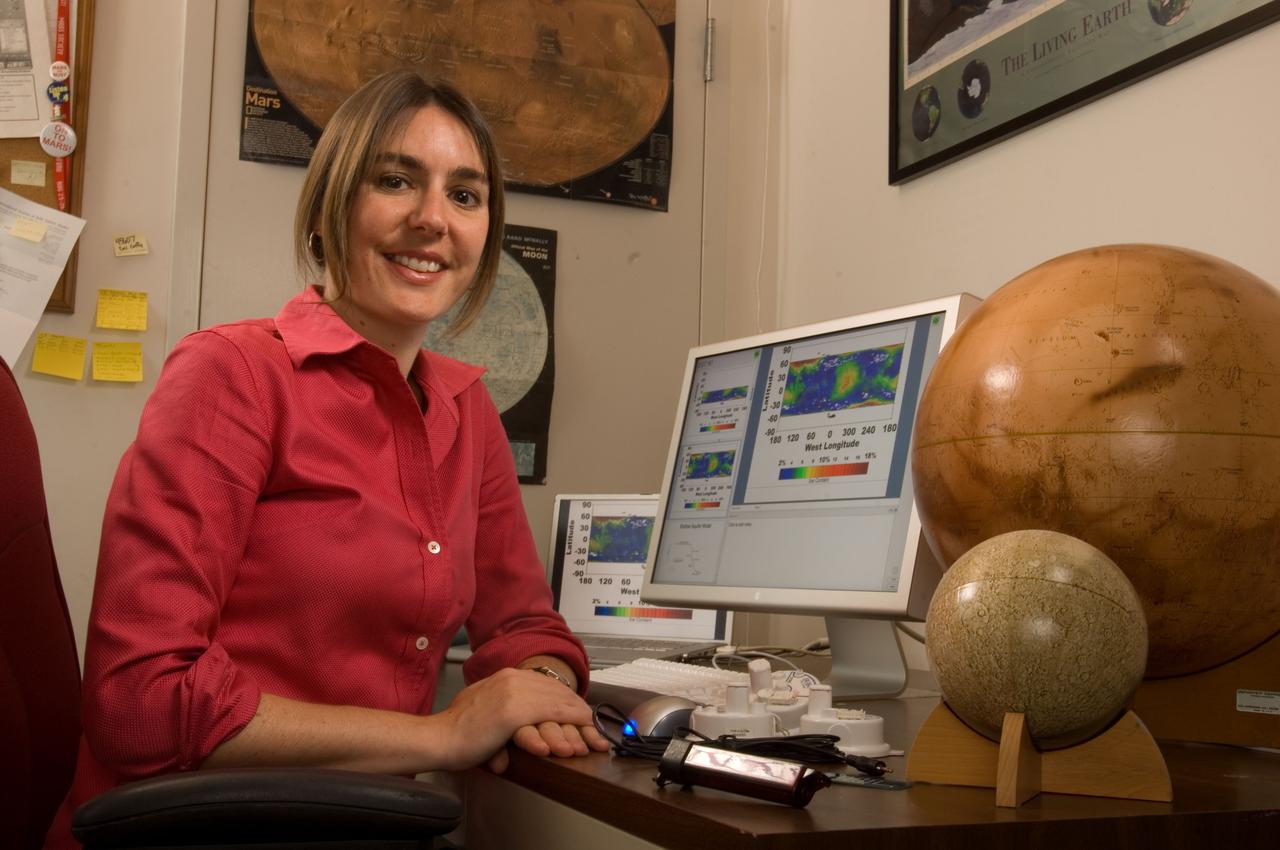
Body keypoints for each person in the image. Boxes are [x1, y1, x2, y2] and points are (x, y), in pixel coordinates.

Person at [45, 70, 608, 848]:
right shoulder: (232, 375)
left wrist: (538, 689)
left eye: (466, 195)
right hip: (191, 832)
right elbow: (141, 700)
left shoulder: (464, 406)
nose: (432, 219)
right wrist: (446, 735)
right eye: (395, 180)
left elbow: (521, 621)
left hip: (360, 826)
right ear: (329, 211)